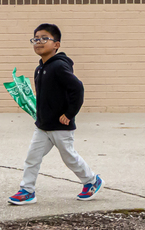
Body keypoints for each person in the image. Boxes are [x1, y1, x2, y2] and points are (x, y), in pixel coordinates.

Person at [9, 24, 103, 205]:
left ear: (56, 45)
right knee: (32, 157)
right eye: (35, 39)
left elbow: (77, 88)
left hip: (60, 125)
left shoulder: (59, 66)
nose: (39, 42)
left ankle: (92, 181)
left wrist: (69, 113)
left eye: (44, 38)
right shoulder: (40, 69)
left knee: (69, 158)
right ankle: (27, 191)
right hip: (43, 125)